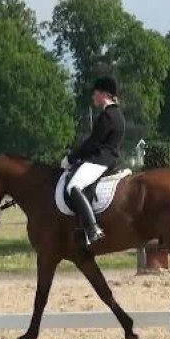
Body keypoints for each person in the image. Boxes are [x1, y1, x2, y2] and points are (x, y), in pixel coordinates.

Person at [61, 76, 126, 245]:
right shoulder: (117, 114)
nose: (93, 97)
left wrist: (71, 158)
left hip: (101, 160)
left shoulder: (107, 116)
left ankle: (92, 228)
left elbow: (93, 142)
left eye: (95, 93)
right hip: (108, 159)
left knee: (73, 187)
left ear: (103, 94)